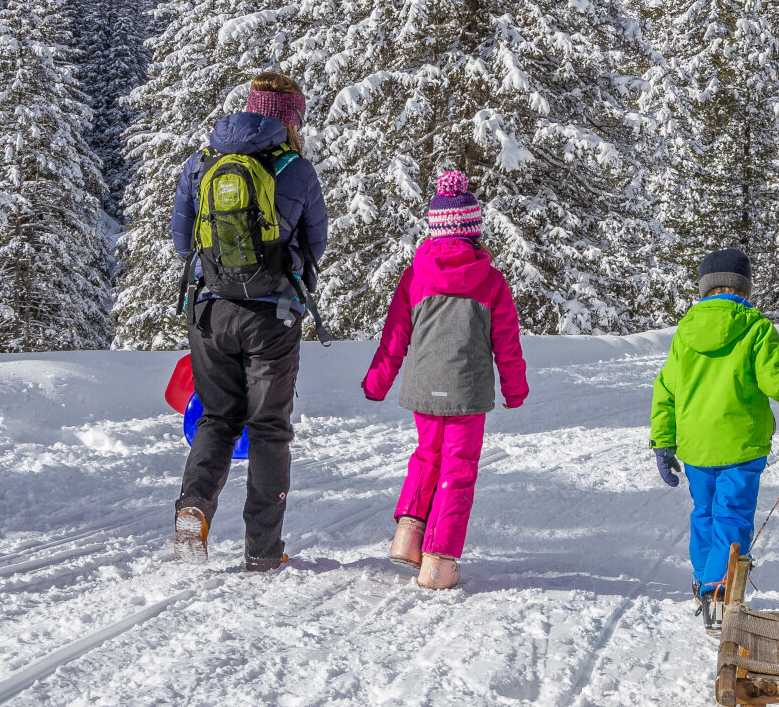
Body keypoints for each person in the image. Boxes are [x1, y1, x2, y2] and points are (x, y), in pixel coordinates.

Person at [170, 71, 328, 572]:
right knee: (268, 429)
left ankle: (193, 510)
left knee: (218, 418)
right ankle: (262, 549)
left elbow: (181, 240)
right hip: (273, 317)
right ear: (291, 119)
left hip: (210, 313)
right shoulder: (296, 170)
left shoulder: (202, 163)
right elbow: (315, 243)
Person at [649, 248, 779, 629]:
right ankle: (719, 594)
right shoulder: (756, 327)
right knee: (732, 515)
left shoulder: (685, 332)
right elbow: (778, 382)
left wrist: (663, 441)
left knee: (705, 513)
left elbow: (665, 389)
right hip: (742, 445)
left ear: (704, 288)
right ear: (745, 287)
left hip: (696, 447)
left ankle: (706, 581)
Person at [362, 171, 528, 590]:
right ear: (473, 232)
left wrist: (378, 382)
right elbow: (506, 342)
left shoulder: (415, 276)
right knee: (459, 468)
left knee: (426, 455)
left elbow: (395, 336)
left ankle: (408, 535)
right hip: (467, 392)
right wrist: (515, 388)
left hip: (424, 387)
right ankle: (439, 559)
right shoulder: (491, 281)